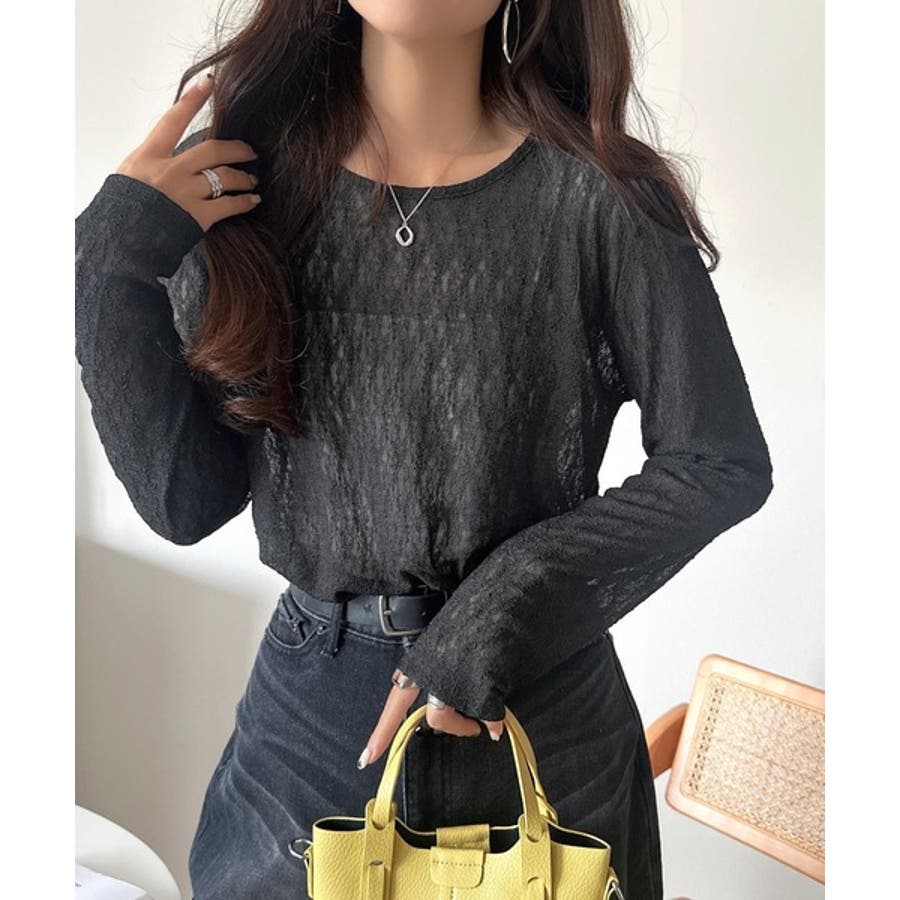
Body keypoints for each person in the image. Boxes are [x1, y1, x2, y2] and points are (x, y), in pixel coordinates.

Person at [74, 1, 774, 897]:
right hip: (310, 739)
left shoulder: (602, 196)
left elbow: (717, 462)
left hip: (541, 724)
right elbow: (186, 502)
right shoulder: (246, 188)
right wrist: (108, 266)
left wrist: (496, 613)